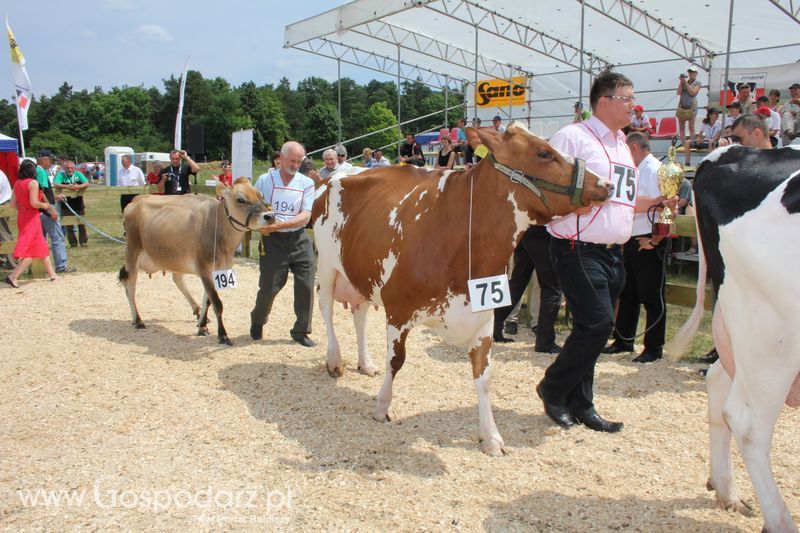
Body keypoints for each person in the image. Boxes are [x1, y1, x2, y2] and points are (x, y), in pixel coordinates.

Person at [537, 71, 663, 433]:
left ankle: (582, 404)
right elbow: (542, 188)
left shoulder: (623, 145)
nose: (633, 106)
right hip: (578, 247)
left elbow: (622, 200)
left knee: (589, 329)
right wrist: (566, 207)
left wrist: (654, 202)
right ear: (604, 101)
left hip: (613, 253)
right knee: (598, 324)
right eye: (627, 98)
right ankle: (554, 387)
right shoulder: (572, 137)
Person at [603, 132, 674, 363]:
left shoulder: (655, 170)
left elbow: (668, 207)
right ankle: (624, 340)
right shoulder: (636, 170)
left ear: (633, 148)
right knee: (629, 292)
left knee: (652, 296)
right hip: (633, 238)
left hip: (648, 238)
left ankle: (654, 348)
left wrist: (655, 240)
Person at [249, 141, 317, 347]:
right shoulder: (264, 180)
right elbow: (254, 206)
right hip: (272, 242)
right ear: (282, 158)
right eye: (292, 160)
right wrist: (260, 225)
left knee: (306, 284)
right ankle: (258, 320)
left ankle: (301, 330)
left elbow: (306, 215)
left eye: (299, 161)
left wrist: (281, 224)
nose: (295, 165)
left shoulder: (306, 183)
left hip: (299, 238)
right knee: (269, 287)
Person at [493, 225, 562, 353]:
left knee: (518, 282)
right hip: (544, 231)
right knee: (552, 287)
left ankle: (494, 327)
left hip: (527, 229)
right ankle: (545, 342)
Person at [5, 160, 59, 287]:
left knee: (40, 245)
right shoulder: (33, 182)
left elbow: (13, 204)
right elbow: (34, 203)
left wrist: (24, 208)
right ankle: (13, 276)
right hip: (32, 217)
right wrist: (45, 205)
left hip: (22, 215)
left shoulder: (17, 183)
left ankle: (53, 275)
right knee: (28, 250)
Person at [35, 150, 73, 274]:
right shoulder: (41, 172)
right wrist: (51, 208)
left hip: (38, 210)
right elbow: (41, 192)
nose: (51, 162)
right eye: (50, 160)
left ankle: (38, 267)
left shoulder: (35, 170)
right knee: (57, 238)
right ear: (43, 159)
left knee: (40, 239)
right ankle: (61, 265)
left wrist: (54, 197)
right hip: (46, 210)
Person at [53, 160, 90, 247]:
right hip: (66, 204)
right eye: (67, 168)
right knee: (68, 225)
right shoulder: (61, 175)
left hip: (78, 203)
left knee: (81, 224)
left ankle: (83, 242)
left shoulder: (78, 174)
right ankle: (73, 243)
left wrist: (78, 186)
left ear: (74, 168)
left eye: (71, 168)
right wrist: (67, 186)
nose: (70, 169)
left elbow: (86, 183)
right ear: (64, 168)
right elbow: (56, 184)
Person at [676, 66, 701, 166]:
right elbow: (678, 92)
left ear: (696, 74)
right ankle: (683, 144)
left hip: (691, 106)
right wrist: (681, 82)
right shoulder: (684, 81)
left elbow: (692, 93)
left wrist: (685, 83)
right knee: (681, 127)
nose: (691, 73)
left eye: (693, 72)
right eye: (690, 72)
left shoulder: (698, 83)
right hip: (682, 105)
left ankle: (692, 143)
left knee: (691, 126)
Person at [0, 168, 15, 269]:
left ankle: (12, 263)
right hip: (4, 203)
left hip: (2, 205)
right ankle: (3, 261)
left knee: (4, 235)